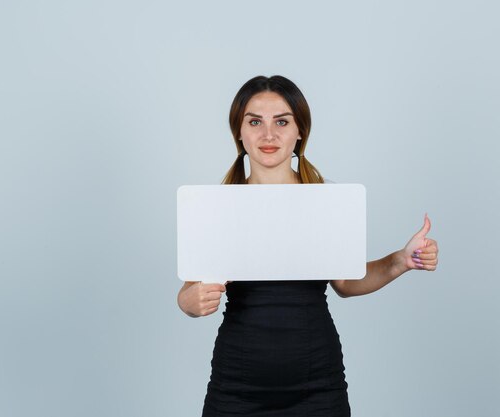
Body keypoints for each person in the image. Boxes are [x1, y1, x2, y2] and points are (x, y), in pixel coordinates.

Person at [176, 75, 439, 417]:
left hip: (317, 389)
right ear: (239, 133)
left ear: (300, 131)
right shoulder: (218, 205)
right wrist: (190, 302)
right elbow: (187, 294)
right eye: (255, 122)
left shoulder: (326, 199)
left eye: (281, 122)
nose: (268, 135)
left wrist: (400, 260)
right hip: (235, 388)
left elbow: (345, 284)